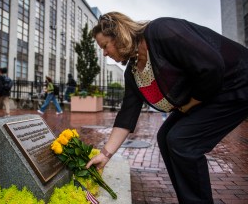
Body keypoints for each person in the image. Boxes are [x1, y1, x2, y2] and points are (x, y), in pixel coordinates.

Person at [86, 12, 248, 204]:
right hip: (206, 94)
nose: (104, 53)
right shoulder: (132, 73)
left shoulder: (162, 31)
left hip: (236, 81)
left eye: (105, 46)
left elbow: (212, 67)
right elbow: (127, 115)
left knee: (181, 141)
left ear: (119, 35)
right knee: (165, 137)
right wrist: (104, 156)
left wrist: (190, 104)